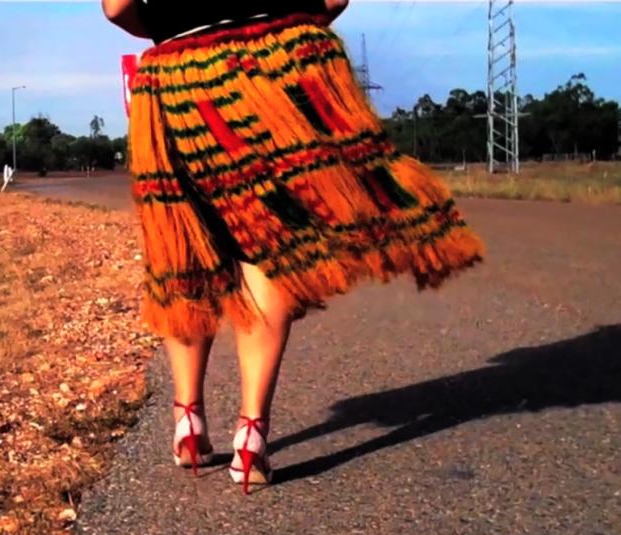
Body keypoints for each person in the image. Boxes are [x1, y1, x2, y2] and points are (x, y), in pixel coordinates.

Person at [102, 0, 485, 493]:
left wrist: (167, 32)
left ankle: (188, 424)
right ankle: (251, 436)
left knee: (182, 247)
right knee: (266, 246)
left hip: (177, 73)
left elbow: (117, 8)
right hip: (275, 67)